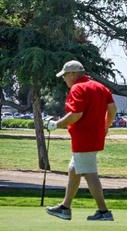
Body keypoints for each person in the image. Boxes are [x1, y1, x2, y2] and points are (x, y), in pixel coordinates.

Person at [44, 60, 117, 222]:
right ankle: (65, 207)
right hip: (95, 136)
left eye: (64, 75)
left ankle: (104, 211)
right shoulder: (99, 87)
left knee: (89, 173)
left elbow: (75, 115)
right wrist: (105, 126)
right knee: (74, 169)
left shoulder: (78, 88)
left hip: (84, 137)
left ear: (72, 74)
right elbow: (112, 109)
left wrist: (56, 124)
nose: (64, 79)